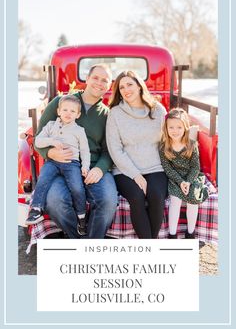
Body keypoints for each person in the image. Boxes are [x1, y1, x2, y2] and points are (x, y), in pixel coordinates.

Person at [34, 64, 118, 239]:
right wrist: (49, 153)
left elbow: (110, 149)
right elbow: (38, 138)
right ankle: (78, 240)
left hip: (92, 165)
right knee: (55, 201)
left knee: (108, 201)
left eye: (105, 80)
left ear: (109, 86)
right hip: (60, 164)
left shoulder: (107, 114)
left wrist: (100, 168)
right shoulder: (61, 103)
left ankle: (92, 244)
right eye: (95, 77)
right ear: (87, 79)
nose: (99, 83)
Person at [106, 70, 168, 239]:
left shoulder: (158, 110)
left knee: (156, 195)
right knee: (137, 196)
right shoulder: (115, 114)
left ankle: (149, 246)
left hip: (155, 167)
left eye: (130, 84)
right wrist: (136, 175)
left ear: (140, 86)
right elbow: (115, 149)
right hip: (125, 170)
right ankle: (149, 247)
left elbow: (167, 141)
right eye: (121, 87)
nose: (126, 90)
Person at [25, 95, 90, 236]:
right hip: (52, 162)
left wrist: (85, 166)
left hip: (71, 163)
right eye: (65, 110)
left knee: (77, 188)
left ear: (78, 115)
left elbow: (85, 151)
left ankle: (81, 217)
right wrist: (52, 141)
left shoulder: (79, 131)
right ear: (58, 111)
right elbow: (38, 142)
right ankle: (36, 209)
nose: (68, 113)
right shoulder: (50, 126)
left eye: (73, 111)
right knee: (43, 179)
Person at [159, 108, 209, 239]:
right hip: (175, 179)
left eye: (179, 127)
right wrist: (180, 182)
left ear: (185, 128)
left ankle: (190, 233)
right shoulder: (163, 146)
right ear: (166, 128)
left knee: (193, 200)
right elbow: (167, 168)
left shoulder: (192, 145)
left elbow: (195, 167)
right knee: (175, 201)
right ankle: (172, 234)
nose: (175, 131)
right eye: (171, 127)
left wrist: (187, 181)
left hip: (191, 177)